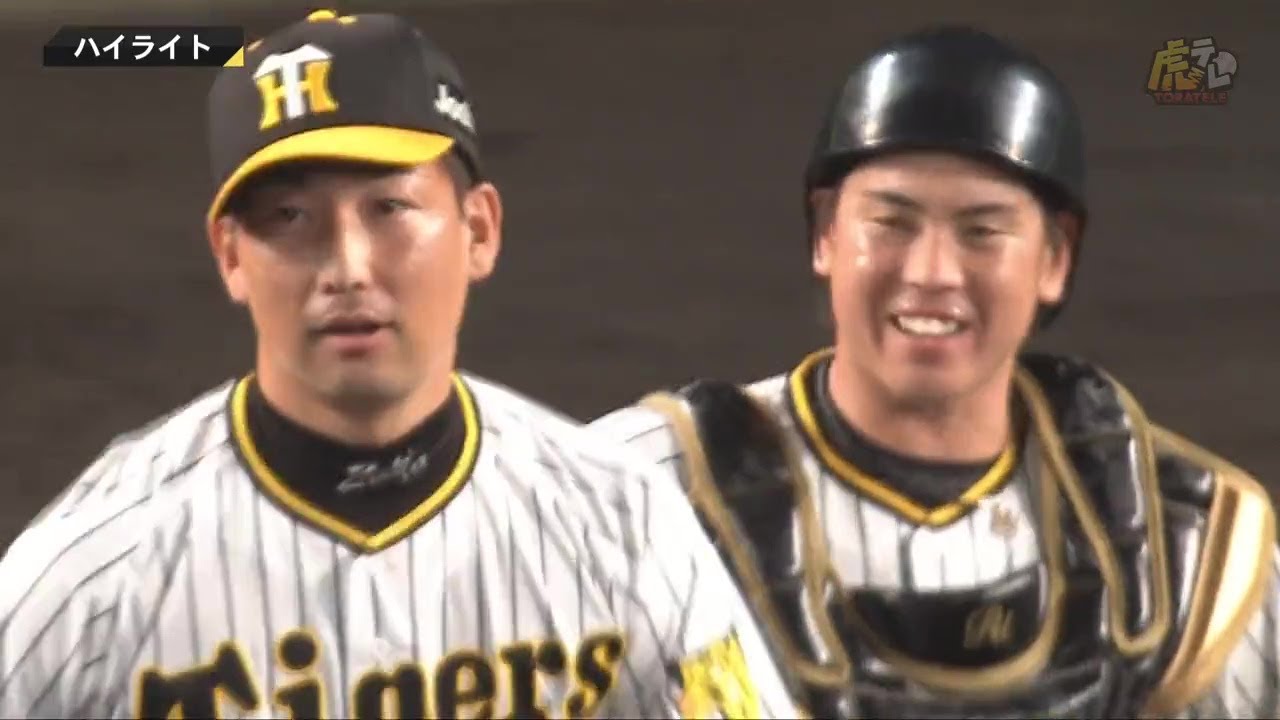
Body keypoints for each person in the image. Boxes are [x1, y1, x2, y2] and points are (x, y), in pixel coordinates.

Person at [0, 11, 801, 719]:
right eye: (289, 217)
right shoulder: (95, 569)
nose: (346, 267)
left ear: (478, 230)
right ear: (231, 256)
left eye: (389, 208)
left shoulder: (623, 525)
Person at [592, 25, 1279, 718]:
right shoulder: (631, 496)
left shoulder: (1189, 549)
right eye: (891, 223)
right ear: (826, 233)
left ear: (1054, 259)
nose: (931, 273)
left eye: (983, 231)